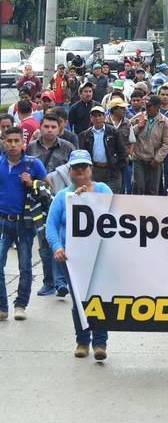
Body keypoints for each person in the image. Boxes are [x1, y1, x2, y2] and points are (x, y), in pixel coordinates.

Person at [45, 150, 112, 359]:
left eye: (84, 167)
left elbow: (117, 218)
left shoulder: (103, 190)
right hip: (71, 258)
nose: (80, 171)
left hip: (98, 255)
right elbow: (51, 226)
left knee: (98, 299)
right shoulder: (62, 196)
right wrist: (57, 247)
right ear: (70, 171)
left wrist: (89, 200)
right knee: (79, 300)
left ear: (91, 169)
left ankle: (100, 344)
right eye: (76, 168)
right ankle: (82, 341)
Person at [0, 126, 48, 321]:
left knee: (25, 265)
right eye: (9, 141)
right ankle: (2, 306)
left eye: (16, 141)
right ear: (3, 142)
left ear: (23, 143)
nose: (12, 145)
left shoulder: (33, 164)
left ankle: (20, 304)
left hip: (25, 223)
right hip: (3, 222)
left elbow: (48, 187)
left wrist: (32, 183)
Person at [27, 113, 75, 297]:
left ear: (59, 128)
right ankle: (49, 282)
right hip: (39, 202)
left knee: (62, 242)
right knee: (44, 244)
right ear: (40, 127)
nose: (49, 130)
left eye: (53, 127)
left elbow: (76, 172)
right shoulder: (31, 147)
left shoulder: (68, 148)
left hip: (62, 200)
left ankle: (62, 281)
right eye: (46, 126)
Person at [77, 105, 127, 194]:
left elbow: (122, 151)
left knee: (112, 198)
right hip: (94, 171)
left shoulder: (113, 132)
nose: (97, 118)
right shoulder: (86, 134)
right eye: (94, 116)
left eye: (100, 115)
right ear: (91, 118)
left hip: (111, 171)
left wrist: (117, 166)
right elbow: (84, 153)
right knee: (95, 197)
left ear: (104, 117)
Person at [131, 95, 168, 195]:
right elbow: (129, 135)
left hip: (154, 160)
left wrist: (157, 159)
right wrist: (138, 127)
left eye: (150, 106)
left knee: (153, 190)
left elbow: (167, 143)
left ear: (158, 107)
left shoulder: (164, 121)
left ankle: (151, 211)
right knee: (138, 187)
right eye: (146, 105)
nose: (147, 108)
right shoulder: (138, 117)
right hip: (139, 158)